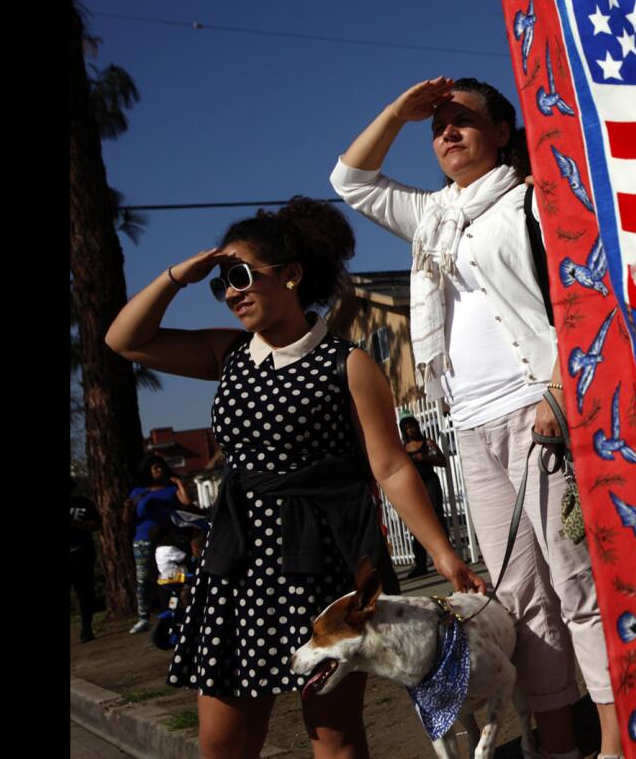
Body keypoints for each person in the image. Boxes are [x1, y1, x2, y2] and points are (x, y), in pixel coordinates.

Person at [105, 196, 482, 759]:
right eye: (220, 282)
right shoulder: (227, 351)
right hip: (234, 564)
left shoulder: (347, 361)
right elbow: (124, 340)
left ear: (291, 276)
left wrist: (444, 553)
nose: (230, 291)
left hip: (322, 564)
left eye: (240, 276)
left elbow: (391, 465)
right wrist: (179, 275)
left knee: (335, 737)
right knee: (222, 742)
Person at [330, 77, 622, 759]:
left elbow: (576, 299)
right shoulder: (431, 215)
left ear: (502, 133)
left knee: (575, 581)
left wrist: (558, 391)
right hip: (469, 423)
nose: (447, 134)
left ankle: (614, 736)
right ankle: (556, 740)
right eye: (439, 127)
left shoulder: (532, 201)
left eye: (464, 121)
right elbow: (350, 177)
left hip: (538, 409)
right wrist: (400, 111)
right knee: (518, 596)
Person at [124, 455, 192, 633]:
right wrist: (126, 508)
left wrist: (179, 482)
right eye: (155, 468)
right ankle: (143, 616)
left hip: (168, 539)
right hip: (143, 538)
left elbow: (187, 502)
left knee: (171, 576)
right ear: (148, 471)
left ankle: (172, 611)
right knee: (144, 578)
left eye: (161, 467)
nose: (159, 470)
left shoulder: (170, 489)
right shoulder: (139, 492)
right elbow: (128, 518)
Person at [399, 415, 449, 579]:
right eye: (407, 428)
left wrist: (425, 457)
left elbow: (443, 461)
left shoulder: (427, 443)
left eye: (412, 426)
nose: (411, 430)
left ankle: (448, 555)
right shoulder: (403, 447)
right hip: (414, 488)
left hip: (430, 484)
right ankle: (420, 563)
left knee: (438, 518)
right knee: (417, 523)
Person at [70, 477, 101, 643]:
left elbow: (97, 524)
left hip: (81, 552)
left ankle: (86, 629)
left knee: (84, 592)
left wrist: (77, 525)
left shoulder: (83, 503)